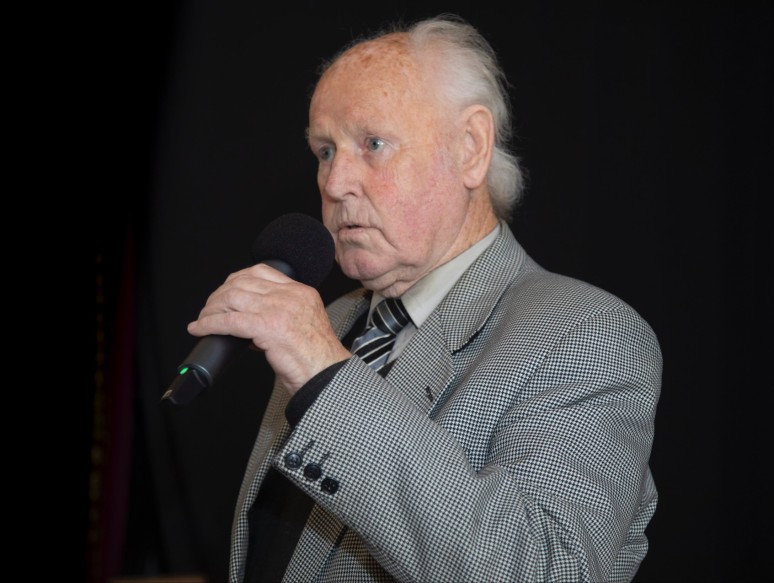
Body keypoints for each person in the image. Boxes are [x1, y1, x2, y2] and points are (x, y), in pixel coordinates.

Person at [186, 13, 662, 583]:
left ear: (470, 148)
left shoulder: (586, 334)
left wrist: (324, 373)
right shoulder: (333, 321)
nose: (334, 183)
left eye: (374, 144)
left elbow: (544, 569)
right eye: (325, 151)